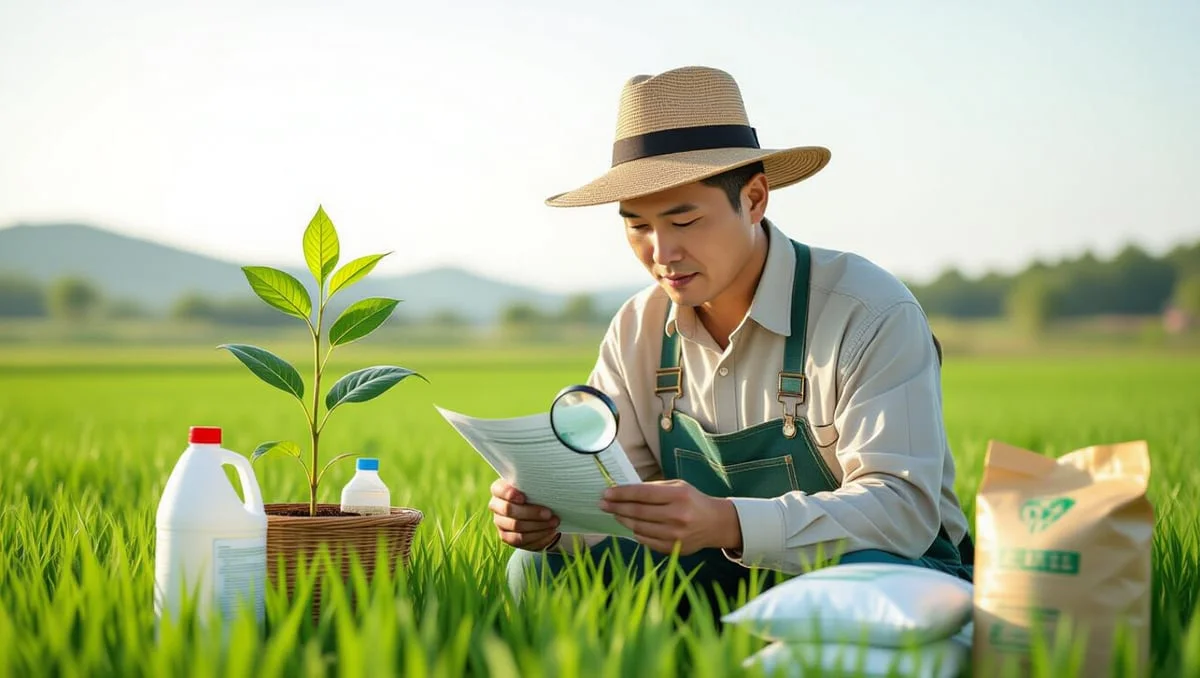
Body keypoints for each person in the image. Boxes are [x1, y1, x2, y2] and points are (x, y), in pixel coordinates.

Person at [489, 65, 974, 616]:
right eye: (637, 226)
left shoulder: (866, 311)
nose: (661, 251)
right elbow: (613, 495)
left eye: (685, 220)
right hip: (702, 569)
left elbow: (901, 511)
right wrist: (551, 520)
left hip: (878, 570)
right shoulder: (637, 328)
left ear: (756, 199)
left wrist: (727, 520)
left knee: (850, 591)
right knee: (538, 567)